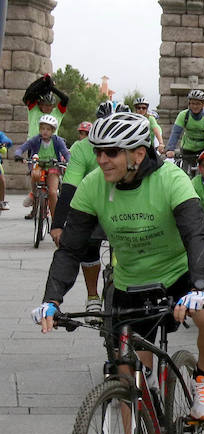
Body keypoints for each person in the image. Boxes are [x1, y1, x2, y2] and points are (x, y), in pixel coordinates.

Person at [34, 112, 204, 434]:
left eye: (111, 152)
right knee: (127, 376)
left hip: (179, 276)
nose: (101, 159)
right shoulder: (93, 184)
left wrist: (200, 286)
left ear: (138, 154)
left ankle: (203, 380)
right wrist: (51, 299)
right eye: (98, 151)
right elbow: (70, 249)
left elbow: (197, 235)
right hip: (130, 285)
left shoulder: (171, 179)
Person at [51, 100, 123, 310]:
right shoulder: (82, 148)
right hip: (94, 205)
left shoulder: (132, 148)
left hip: (125, 204)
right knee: (88, 244)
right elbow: (70, 187)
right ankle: (93, 297)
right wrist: (58, 224)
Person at [16, 114, 69, 220]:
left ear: (53, 130)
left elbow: (65, 153)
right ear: (40, 129)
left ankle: (55, 220)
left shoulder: (57, 141)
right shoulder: (36, 140)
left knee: (52, 192)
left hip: (53, 166)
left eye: (48, 129)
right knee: (35, 174)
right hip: (39, 165)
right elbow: (22, 147)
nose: (45, 131)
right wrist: (18, 154)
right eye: (43, 128)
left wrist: (69, 161)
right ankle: (34, 194)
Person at [165, 89, 204, 172]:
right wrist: (170, 149)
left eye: (198, 104)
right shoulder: (183, 115)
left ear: (203, 104)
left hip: (203, 148)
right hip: (187, 148)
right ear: (189, 104)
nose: (195, 106)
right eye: (192, 103)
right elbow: (175, 133)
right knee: (184, 173)